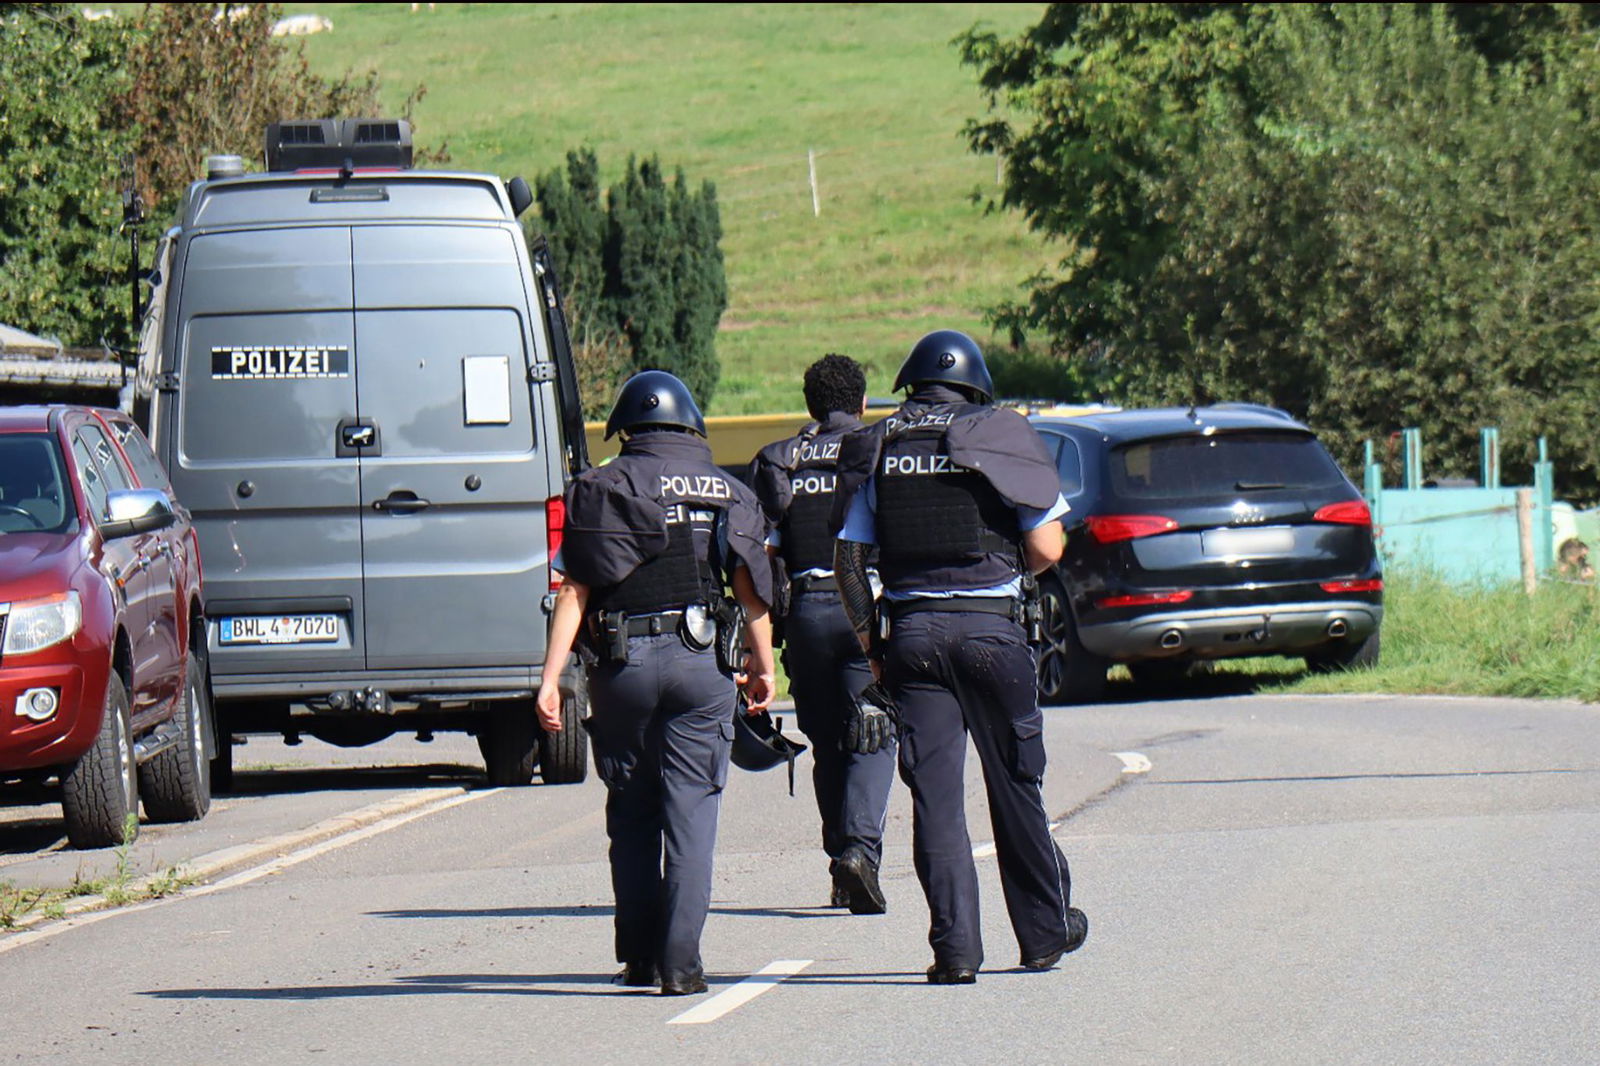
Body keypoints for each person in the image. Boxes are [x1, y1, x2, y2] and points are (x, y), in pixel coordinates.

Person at [830, 329, 1088, 985]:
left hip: (913, 637)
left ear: (913, 385)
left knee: (937, 802)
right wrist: (1006, 567)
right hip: (992, 633)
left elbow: (849, 562)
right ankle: (1043, 936)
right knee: (1016, 787)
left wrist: (874, 650)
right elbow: (1052, 547)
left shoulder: (883, 445)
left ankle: (955, 953)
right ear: (976, 386)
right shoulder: (1003, 432)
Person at [535, 369, 776, 997]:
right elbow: (751, 595)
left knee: (634, 813)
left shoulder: (599, 487)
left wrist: (551, 677)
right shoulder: (727, 488)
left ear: (628, 429)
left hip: (624, 669)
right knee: (692, 814)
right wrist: (763, 666)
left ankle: (639, 958)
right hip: (703, 666)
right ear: (689, 425)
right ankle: (680, 964)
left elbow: (574, 590)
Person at [748, 353, 896, 915]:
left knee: (831, 743)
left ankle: (841, 864)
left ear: (810, 405)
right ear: (862, 403)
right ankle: (859, 852)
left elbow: (759, 556)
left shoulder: (777, 460)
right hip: (867, 609)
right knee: (874, 731)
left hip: (805, 615)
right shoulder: (879, 446)